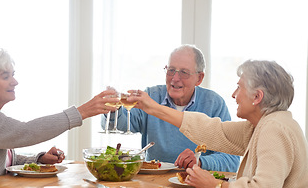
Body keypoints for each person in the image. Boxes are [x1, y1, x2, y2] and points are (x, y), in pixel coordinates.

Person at [128, 60, 308, 188]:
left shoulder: (273, 130)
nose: (233, 95)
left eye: (239, 88)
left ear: (257, 97)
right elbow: (213, 131)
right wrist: (153, 108)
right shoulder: (265, 125)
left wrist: (215, 185)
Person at [0, 47, 119, 188]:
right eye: (6, 77)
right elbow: (26, 131)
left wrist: (39, 159)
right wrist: (82, 112)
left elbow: (2, 157)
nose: (15, 82)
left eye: (13, 74)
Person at [102, 44, 240, 172]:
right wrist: (113, 109)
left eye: (184, 72)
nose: (175, 78)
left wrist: (200, 162)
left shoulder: (214, 103)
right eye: (171, 70)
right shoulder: (152, 95)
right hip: (155, 182)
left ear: (199, 78)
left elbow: (232, 160)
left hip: (196, 184)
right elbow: (120, 124)